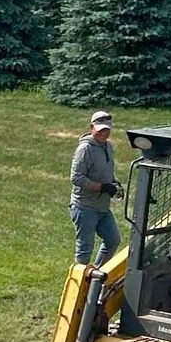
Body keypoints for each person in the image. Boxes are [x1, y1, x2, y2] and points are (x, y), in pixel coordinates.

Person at [70, 109, 119, 265]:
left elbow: (107, 171)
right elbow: (76, 178)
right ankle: (79, 286)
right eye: (100, 130)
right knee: (84, 249)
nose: (104, 134)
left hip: (102, 207)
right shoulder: (84, 149)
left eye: (106, 130)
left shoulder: (108, 147)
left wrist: (114, 183)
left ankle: (95, 277)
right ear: (91, 128)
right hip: (85, 207)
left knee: (113, 240)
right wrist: (101, 187)